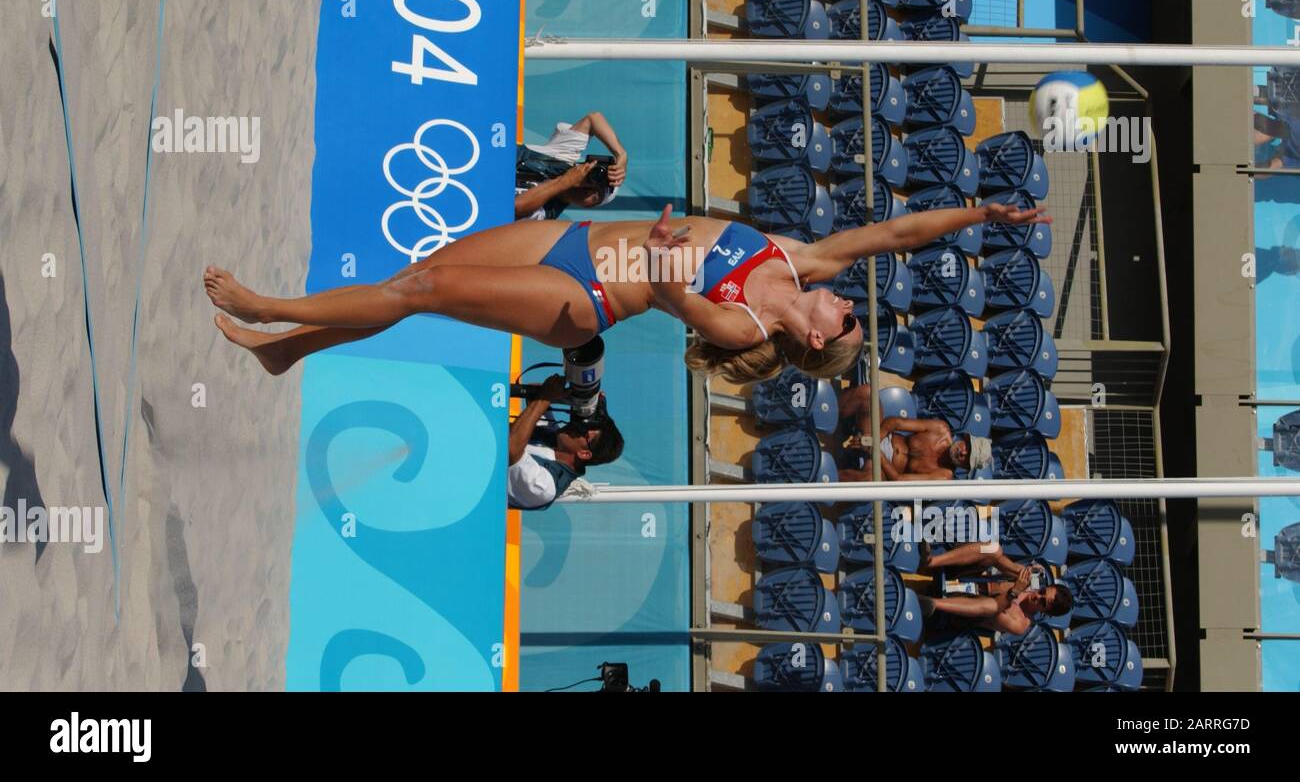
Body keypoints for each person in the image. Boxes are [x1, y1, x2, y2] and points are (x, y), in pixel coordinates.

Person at [204, 201, 1049, 384]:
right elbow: (897, 234)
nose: (851, 300)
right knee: (412, 276)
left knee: (422, 288)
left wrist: (664, 252)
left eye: (852, 318)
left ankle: (270, 304)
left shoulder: (744, 319)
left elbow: (679, 299)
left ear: (822, 338)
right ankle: (291, 348)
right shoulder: (804, 264)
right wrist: (985, 212)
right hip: (569, 239)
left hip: (584, 298)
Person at [507, 375, 624, 510]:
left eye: (582, 430)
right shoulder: (556, 440)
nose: (574, 426)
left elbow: (511, 449)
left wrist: (546, 398)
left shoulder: (545, 487)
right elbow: (536, 394)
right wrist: (580, 399)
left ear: (584, 453)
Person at [916, 541, 1073, 636]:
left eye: (1043, 603)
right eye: (1042, 592)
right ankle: (931, 562)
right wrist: (1017, 571)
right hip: (966, 578)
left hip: (958, 612)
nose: (1038, 596)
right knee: (994, 549)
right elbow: (998, 562)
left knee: (994, 607)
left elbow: (996, 614)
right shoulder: (1032, 582)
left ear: (1045, 612)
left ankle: (932, 604)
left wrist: (1014, 592)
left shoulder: (1021, 623)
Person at [837, 384, 992, 481]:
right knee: (868, 393)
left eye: (967, 459)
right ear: (965, 439)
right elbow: (894, 422)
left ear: (965, 467)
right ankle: (827, 411)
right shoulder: (940, 429)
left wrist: (876, 452)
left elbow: (898, 479)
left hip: (880, 468)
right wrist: (874, 441)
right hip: (879, 436)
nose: (963, 453)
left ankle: (822, 477)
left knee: (869, 481)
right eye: (968, 448)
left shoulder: (943, 476)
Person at [515, 112, 629, 220]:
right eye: (594, 179)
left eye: (596, 195)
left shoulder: (549, 211)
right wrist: (621, 155)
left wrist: (565, 182)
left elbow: (516, 207)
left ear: (588, 206)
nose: (590, 189)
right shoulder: (565, 156)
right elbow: (594, 119)